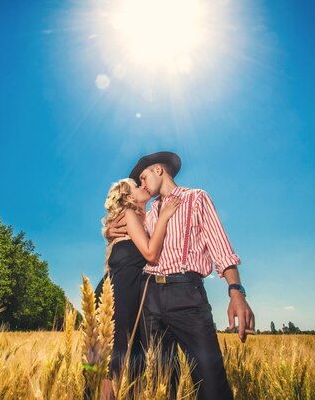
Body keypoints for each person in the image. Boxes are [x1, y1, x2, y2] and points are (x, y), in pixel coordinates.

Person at [106, 151, 255, 400]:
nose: (142, 184)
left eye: (143, 177)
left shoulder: (196, 198)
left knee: (211, 382)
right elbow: (130, 241)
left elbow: (222, 248)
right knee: (161, 383)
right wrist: (110, 232)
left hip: (186, 294)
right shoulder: (149, 213)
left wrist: (236, 291)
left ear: (158, 170)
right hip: (149, 299)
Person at [96, 178, 181, 399]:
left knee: (131, 357)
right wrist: (164, 217)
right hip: (118, 293)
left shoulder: (141, 219)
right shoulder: (129, 215)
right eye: (136, 185)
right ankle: (95, 388)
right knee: (109, 353)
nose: (142, 186)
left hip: (131, 294)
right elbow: (151, 254)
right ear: (128, 197)